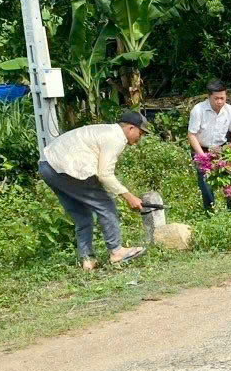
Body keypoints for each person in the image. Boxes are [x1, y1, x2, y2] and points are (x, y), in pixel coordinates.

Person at [38, 112, 150, 269]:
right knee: (106, 205)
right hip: (64, 167)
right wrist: (129, 196)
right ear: (131, 128)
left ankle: (87, 259)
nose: (140, 138)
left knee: (82, 215)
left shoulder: (105, 131)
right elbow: (104, 174)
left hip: (47, 166)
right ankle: (116, 251)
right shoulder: (116, 138)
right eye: (141, 133)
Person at [187, 79, 231, 211]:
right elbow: (192, 135)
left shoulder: (229, 110)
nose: (219, 102)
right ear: (209, 97)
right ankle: (210, 211)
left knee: (230, 178)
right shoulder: (198, 110)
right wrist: (202, 156)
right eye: (216, 98)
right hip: (201, 148)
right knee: (205, 182)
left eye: (222, 98)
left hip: (222, 148)